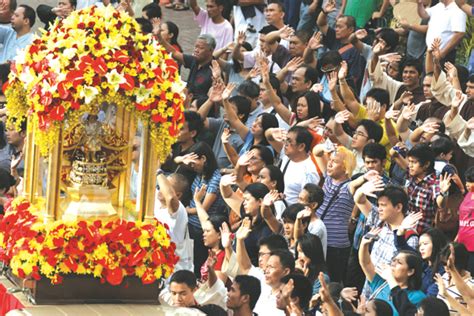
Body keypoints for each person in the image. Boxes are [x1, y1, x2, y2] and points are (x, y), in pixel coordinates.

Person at [175, 142, 225, 277]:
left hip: (200, 227)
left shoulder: (215, 179)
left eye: (193, 163)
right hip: (189, 222)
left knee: (195, 263)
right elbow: (176, 160)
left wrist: (185, 209)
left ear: (203, 159)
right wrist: (183, 159)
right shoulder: (200, 173)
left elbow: (203, 209)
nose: (192, 167)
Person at [313, 145, 356, 283]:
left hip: (335, 245)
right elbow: (317, 153)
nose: (330, 163)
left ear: (345, 167)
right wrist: (327, 146)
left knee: (333, 281)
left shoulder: (349, 187)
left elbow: (357, 188)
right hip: (318, 238)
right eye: (330, 160)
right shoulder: (328, 178)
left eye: (335, 161)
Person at [359, 231, 426, 315]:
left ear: (410, 271)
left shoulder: (418, 297)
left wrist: (390, 278)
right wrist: (364, 245)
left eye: (399, 262)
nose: (393, 264)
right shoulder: (383, 284)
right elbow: (366, 263)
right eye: (393, 260)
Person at [155, 171, 192, 271]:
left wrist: (158, 172)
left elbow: (171, 198)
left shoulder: (179, 210)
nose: (160, 190)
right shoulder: (157, 201)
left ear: (178, 195)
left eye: (165, 188)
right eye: (160, 186)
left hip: (176, 271)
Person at [273, 126, 320, 204]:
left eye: (289, 141)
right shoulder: (287, 157)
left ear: (301, 146)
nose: (285, 144)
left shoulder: (309, 172)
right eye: (285, 140)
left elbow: (306, 202)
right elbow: (269, 136)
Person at [457, 166, 474, 275]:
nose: (467, 184)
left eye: (471, 181)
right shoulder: (468, 195)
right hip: (462, 243)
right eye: (467, 180)